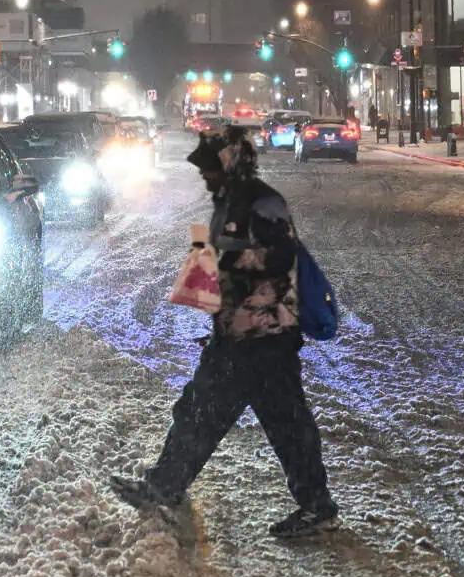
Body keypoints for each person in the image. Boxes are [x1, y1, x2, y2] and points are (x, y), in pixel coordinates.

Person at [111, 127, 339, 539]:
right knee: (204, 411)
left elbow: (280, 256)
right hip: (238, 334)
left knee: (274, 423)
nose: (205, 175)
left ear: (231, 162)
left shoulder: (264, 201)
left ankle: (314, 505)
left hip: (266, 338)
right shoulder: (231, 200)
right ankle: (167, 485)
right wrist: (208, 269)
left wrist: (222, 258)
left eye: (211, 168)